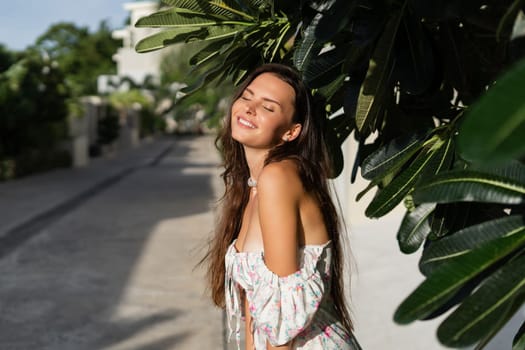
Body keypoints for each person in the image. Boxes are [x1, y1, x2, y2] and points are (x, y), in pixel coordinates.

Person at [202, 63, 361, 349]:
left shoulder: (278, 178)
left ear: (291, 132)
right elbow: (258, 311)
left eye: (268, 107)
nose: (250, 109)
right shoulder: (254, 185)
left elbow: (281, 325)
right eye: (247, 97)